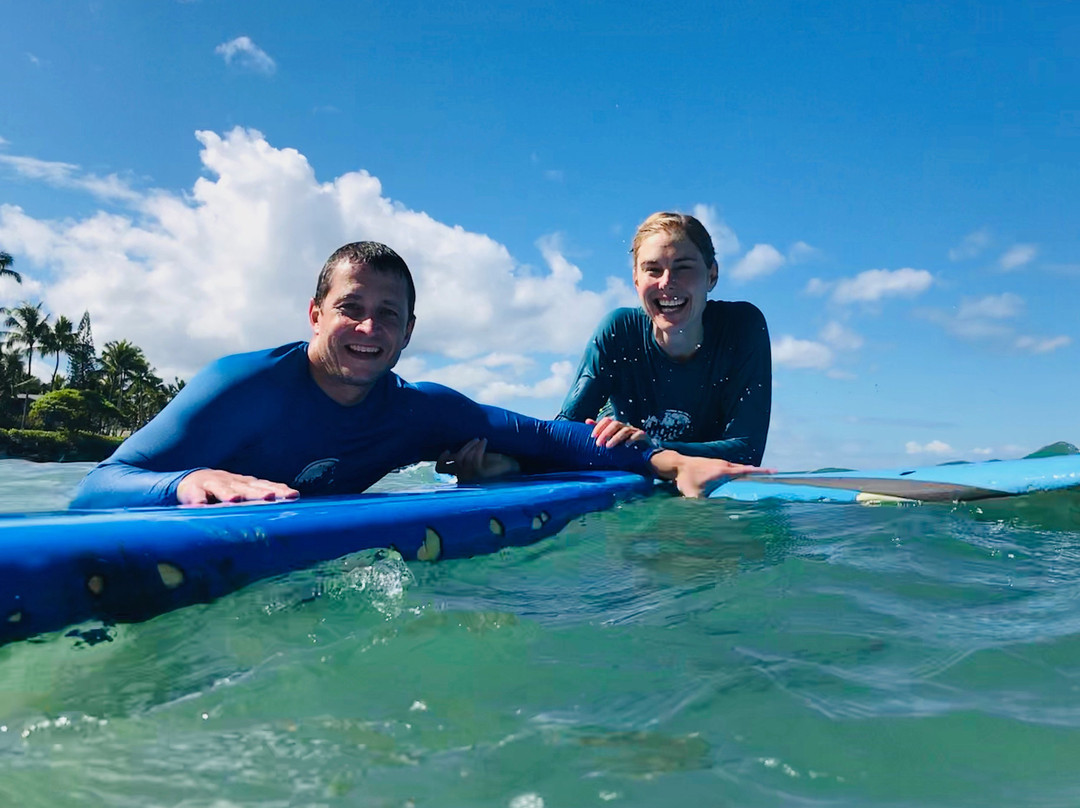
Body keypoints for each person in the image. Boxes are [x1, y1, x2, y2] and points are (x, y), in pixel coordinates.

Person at [71, 241, 770, 510]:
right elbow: (93, 491)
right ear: (314, 313)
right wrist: (186, 481)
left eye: (389, 315)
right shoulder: (240, 386)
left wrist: (671, 460)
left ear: (409, 331)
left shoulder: (417, 412)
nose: (369, 330)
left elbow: (553, 436)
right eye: (351, 309)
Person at [558, 212, 771, 465]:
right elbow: (560, 433)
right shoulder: (619, 331)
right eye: (653, 270)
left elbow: (747, 451)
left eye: (683, 268)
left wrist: (651, 447)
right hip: (625, 463)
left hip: (660, 468)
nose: (667, 283)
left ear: (711, 275)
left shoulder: (741, 327)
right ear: (636, 280)